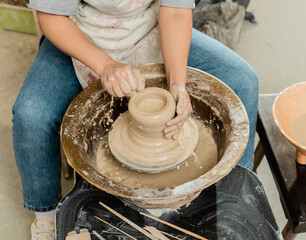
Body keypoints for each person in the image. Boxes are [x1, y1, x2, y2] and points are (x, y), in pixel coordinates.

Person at [12, 0, 258, 239]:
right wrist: (106, 65)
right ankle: (45, 215)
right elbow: (51, 15)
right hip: (81, 33)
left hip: (149, 28)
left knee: (242, 81)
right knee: (31, 115)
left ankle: (233, 196)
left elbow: (174, 11)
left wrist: (178, 85)